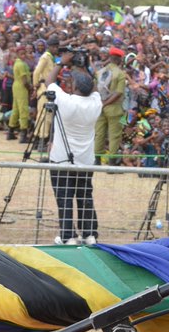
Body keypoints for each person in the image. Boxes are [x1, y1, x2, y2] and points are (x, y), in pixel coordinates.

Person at [45, 57, 103, 244]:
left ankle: (68, 236)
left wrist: (61, 62)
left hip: (61, 160)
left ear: (74, 86)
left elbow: (49, 82)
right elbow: (95, 88)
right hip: (85, 161)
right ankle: (89, 234)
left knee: (64, 197)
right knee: (85, 195)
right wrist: (86, 66)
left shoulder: (65, 101)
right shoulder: (96, 103)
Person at [95, 47, 128, 164]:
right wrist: (107, 103)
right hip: (114, 108)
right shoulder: (120, 74)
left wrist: (101, 104)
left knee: (99, 134)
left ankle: (97, 160)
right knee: (114, 135)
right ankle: (112, 163)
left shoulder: (99, 72)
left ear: (110, 58)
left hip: (100, 107)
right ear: (119, 60)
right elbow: (119, 93)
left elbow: (95, 89)